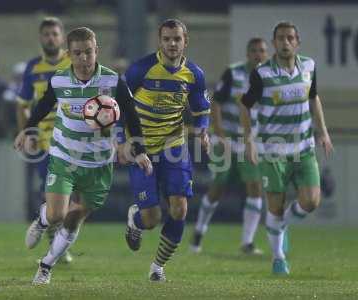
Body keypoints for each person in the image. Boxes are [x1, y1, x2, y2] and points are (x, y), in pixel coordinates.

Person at [14, 26, 152, 284]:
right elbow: (43, 105)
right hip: (64, 156)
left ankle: (46, 265)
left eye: (88, 52)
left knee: (73, 218)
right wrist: (27, 130)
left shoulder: (112, 81)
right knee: (57, 215)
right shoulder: (59, 80)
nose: (84, 59)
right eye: (77, 53)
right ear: (69, 54)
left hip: (99, 164)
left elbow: (131, 114)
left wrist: (140, 149)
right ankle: (44, 219)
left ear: (96, 51)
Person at [118, 19, 210, 281]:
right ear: (160, 41)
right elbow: (117, 106)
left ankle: (158, 267)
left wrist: (203, 128)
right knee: (151, 219)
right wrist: (121, 140)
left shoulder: (194, 74)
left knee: (180, 208)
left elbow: (202, 110)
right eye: (167, 39)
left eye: (177, 39)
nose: (172, 43)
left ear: (185, 41)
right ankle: (136, 219)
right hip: (142, 147)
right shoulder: (141, 69)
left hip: (174, 146)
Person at [240, 22, 333, 275]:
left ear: (297, 42)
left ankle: (282, 226)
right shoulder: (262, 74)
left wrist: (323, 131)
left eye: (290, 38)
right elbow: (245, 105)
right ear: (274, 43)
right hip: (273, 151)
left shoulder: (309, 66)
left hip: (304, 148)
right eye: (280, 38)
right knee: (275, 207)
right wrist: (249, 140)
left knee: (311, 202)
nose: (285, 42)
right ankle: (278, 257)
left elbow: (314, 97)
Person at [190, 38, 269, 255]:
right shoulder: (234, 73)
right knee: (218, 189)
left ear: (267, 54)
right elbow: (215, 103)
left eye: (262, 51)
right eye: (254, 50)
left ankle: (247, 242)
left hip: (249, 141)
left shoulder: (271, 78)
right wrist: (221, 134)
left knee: (254, 188)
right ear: (247, 53)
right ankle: (199, 231)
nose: (258, 54)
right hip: (226, 139)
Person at [16, 17, 73, 262]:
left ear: (62, 37)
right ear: (41, 38)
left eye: (55, 33)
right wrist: (27, 133)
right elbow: (22, 105)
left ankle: (54, 235)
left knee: (75, 198)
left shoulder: (73, 61)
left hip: (74, 138)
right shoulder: (33, 68)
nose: (51, 38)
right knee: (52, 194)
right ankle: (56, 242)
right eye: (47, 34)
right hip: (46, 141)